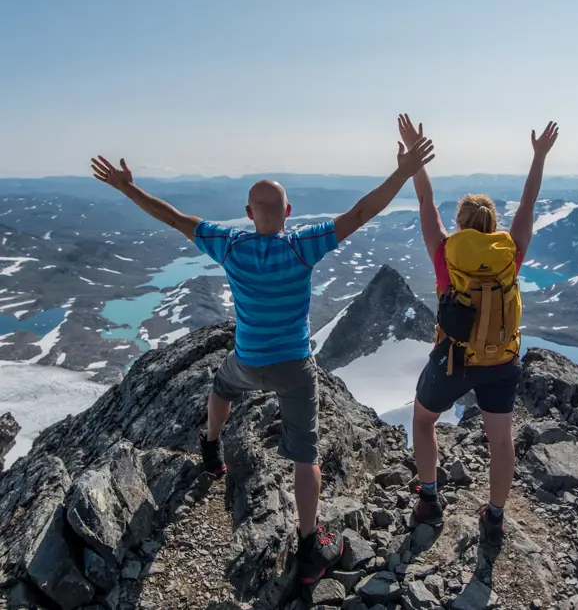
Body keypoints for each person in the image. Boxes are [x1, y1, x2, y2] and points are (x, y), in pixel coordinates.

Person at [89, 133, 435, 583]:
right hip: (294, 367)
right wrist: (404, 172)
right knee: (305, 455)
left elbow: (173, 217)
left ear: (249, 213)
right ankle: (309, 546)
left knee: (221, 387)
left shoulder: (230, 244)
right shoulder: (301, 246)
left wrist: (128, 188)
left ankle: (211, 447)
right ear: (288, 212)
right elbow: (361, 213)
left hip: (248, 359)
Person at [397, 113, 558, 546]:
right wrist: (539, 156)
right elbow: (528, 204)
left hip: (454, 359)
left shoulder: (445, 254)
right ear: (492, 224)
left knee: (423, 420)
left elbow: (426, 202)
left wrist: (414, 158)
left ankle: (428, 501)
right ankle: (495, 518)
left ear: (461, 224)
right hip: (502, 360)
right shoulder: (510, 254)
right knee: (501, 441)